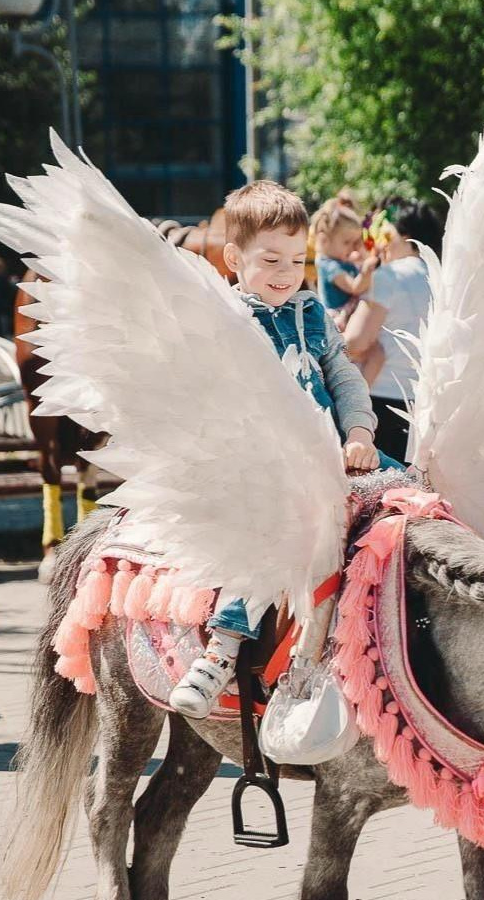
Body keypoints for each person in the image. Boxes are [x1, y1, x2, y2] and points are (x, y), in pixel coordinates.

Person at [166, 180, 381, 719]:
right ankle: (223, 649)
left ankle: (387, 645)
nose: (287, 272)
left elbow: (344, 376)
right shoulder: (227, 323)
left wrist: (360, 432)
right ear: (234, 258)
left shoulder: (311, 314)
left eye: (297, 258)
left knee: (407, 502)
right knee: (270, 535)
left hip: (332, 456)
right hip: (262, 466)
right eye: (271, 259)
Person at [345, 200, 439, 462]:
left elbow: (355, 342)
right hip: (427, 404)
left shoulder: (390, 275)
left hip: (383, 398)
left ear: (404, 235)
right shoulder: (441, 275)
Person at [310, 200, 377, 324]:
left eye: (355, 242)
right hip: (338, 319)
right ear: (325, 240)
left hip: (349, 315)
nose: (352, 247)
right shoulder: (330, 266)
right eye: (347, 242)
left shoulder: (340, 259)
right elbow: (354, 287)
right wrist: (367, 271)